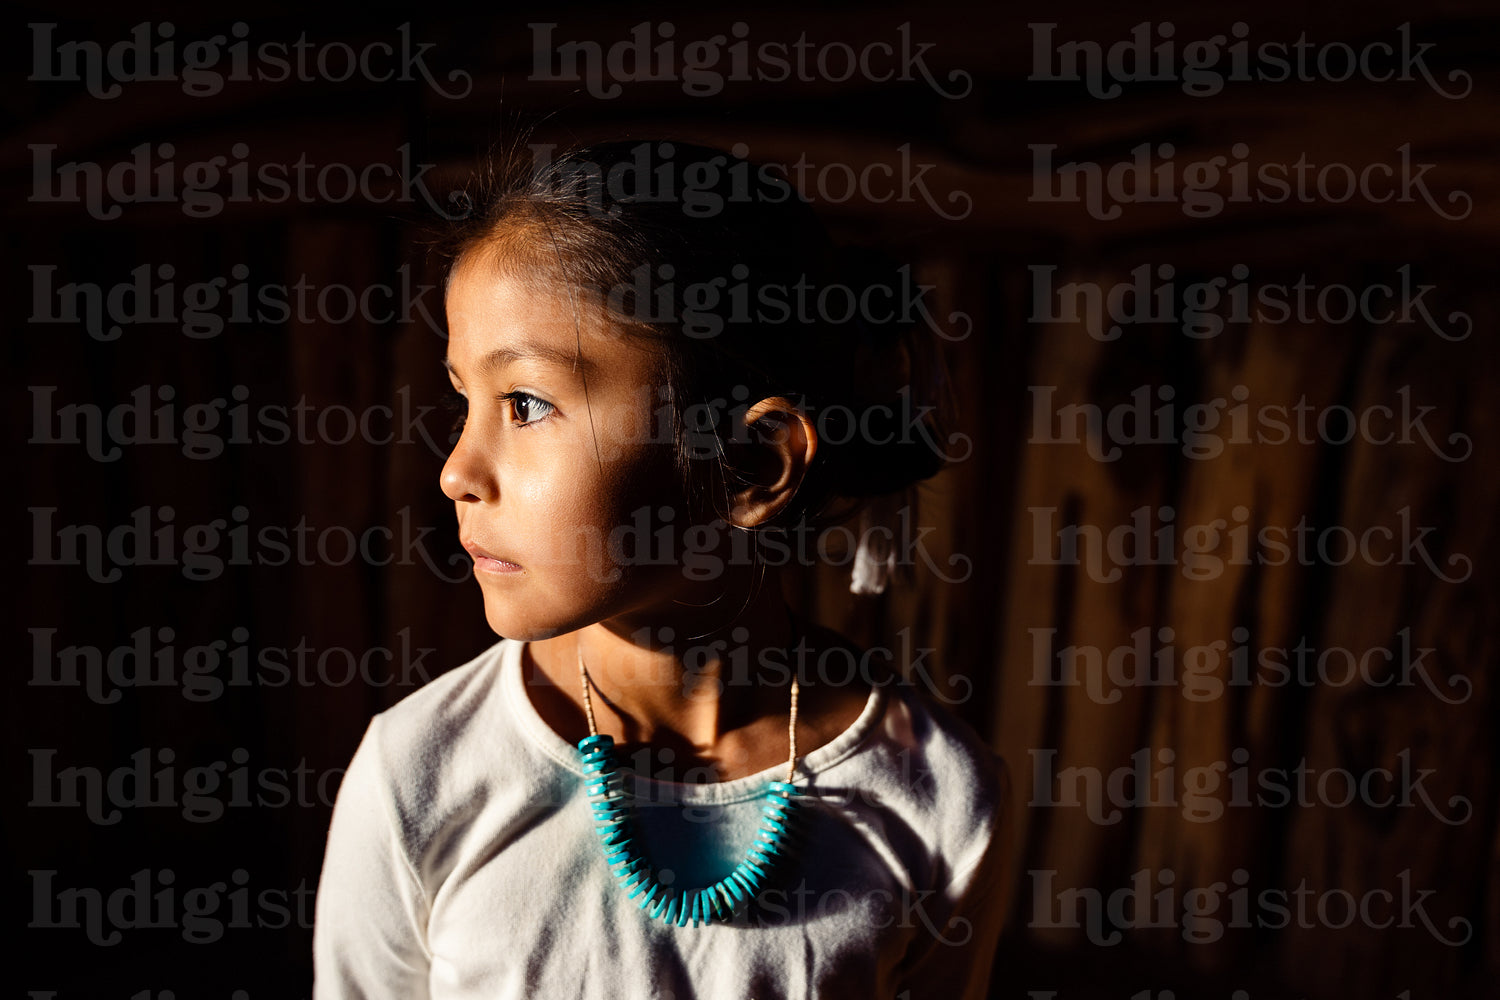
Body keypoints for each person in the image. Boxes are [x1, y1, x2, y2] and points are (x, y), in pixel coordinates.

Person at [312, 139, 1009, 999]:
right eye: (466, 400)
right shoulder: (422, 774)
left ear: (752, 466)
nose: (457, 471)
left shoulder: (932, 799)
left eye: (526, 404)